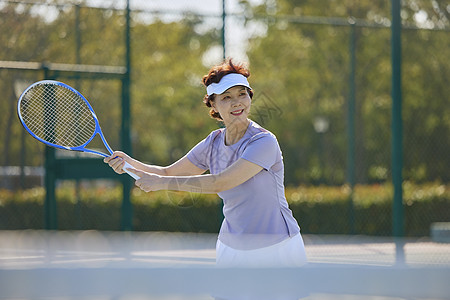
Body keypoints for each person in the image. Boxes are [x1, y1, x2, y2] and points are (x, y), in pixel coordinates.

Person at [104, 59, 307, 268]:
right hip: (231, 249)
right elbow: (167, 172)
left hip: (278, 247)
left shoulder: (263, 141)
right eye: (226, 97)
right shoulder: (213, 142)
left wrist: (161, 183)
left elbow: (221, 182)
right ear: (214, 104)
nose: (237, 102)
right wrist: (129, 164)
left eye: (242, 94)